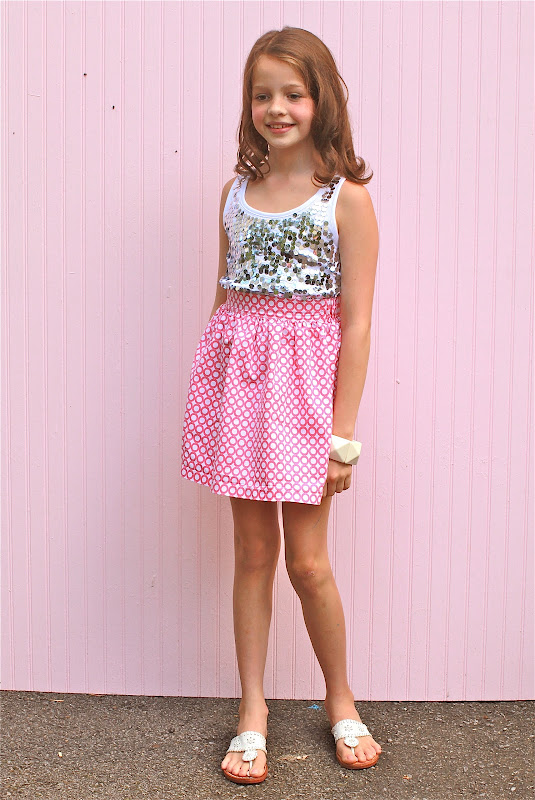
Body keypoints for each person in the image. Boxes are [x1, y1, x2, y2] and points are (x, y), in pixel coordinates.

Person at [181, 26, 381, 785]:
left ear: (320, 100)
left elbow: (355, 324)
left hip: (305, 401)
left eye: (293, 93)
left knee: (307, 559)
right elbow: (223, 300)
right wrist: (209, 399)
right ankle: (253, 709)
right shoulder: (234, 194)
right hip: (239, 392)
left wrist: (342, 436)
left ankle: (340, 699)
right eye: (262, 94)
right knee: (253, 552)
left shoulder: (345, 201)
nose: (277, 108)